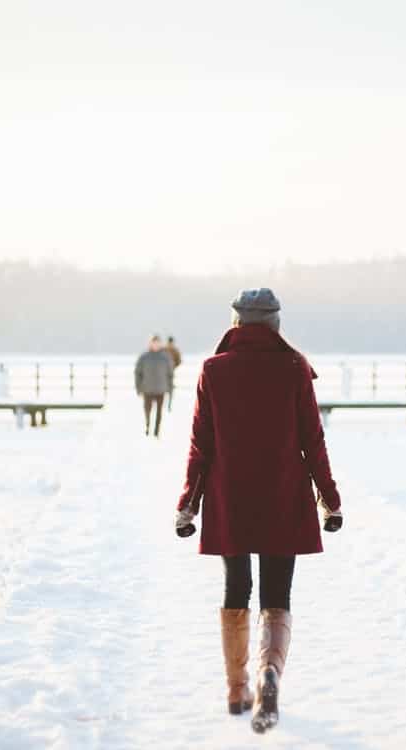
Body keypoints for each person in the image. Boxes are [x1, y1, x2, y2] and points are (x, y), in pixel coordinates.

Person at [174, 288, 343, 734]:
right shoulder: (294, 369)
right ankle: (270, 675)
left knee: (236, 589)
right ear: (274, 324)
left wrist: (188, 502)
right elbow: (313, 440)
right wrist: (330, 497)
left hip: (230, 495)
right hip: (284, 494)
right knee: (277, 595)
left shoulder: (213, 370)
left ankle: (236, 688)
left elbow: (201, 444)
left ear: (236, 323)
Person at [135, 335, 174, 437]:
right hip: (147, 389)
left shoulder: (166, 357)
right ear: (150, 343)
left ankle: (157, 430)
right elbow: (138, 373)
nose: (156, 345)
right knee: (147, 409)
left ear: (160, 344)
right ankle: (147, 425)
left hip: (161, 389)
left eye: (157, 343)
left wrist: (170, 388)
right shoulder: (144, 357)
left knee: (159, 412)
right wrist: (138, 387)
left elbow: (170, 374)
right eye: (154, 342)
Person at [164, 335, 182, 411]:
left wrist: (173, 366)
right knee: (162, 389)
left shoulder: (175, 350)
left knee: (170, 389)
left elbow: (179, 360)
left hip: (170, 372)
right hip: (163, 372)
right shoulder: (164, 349)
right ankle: (164, 404)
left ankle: (169, 404)